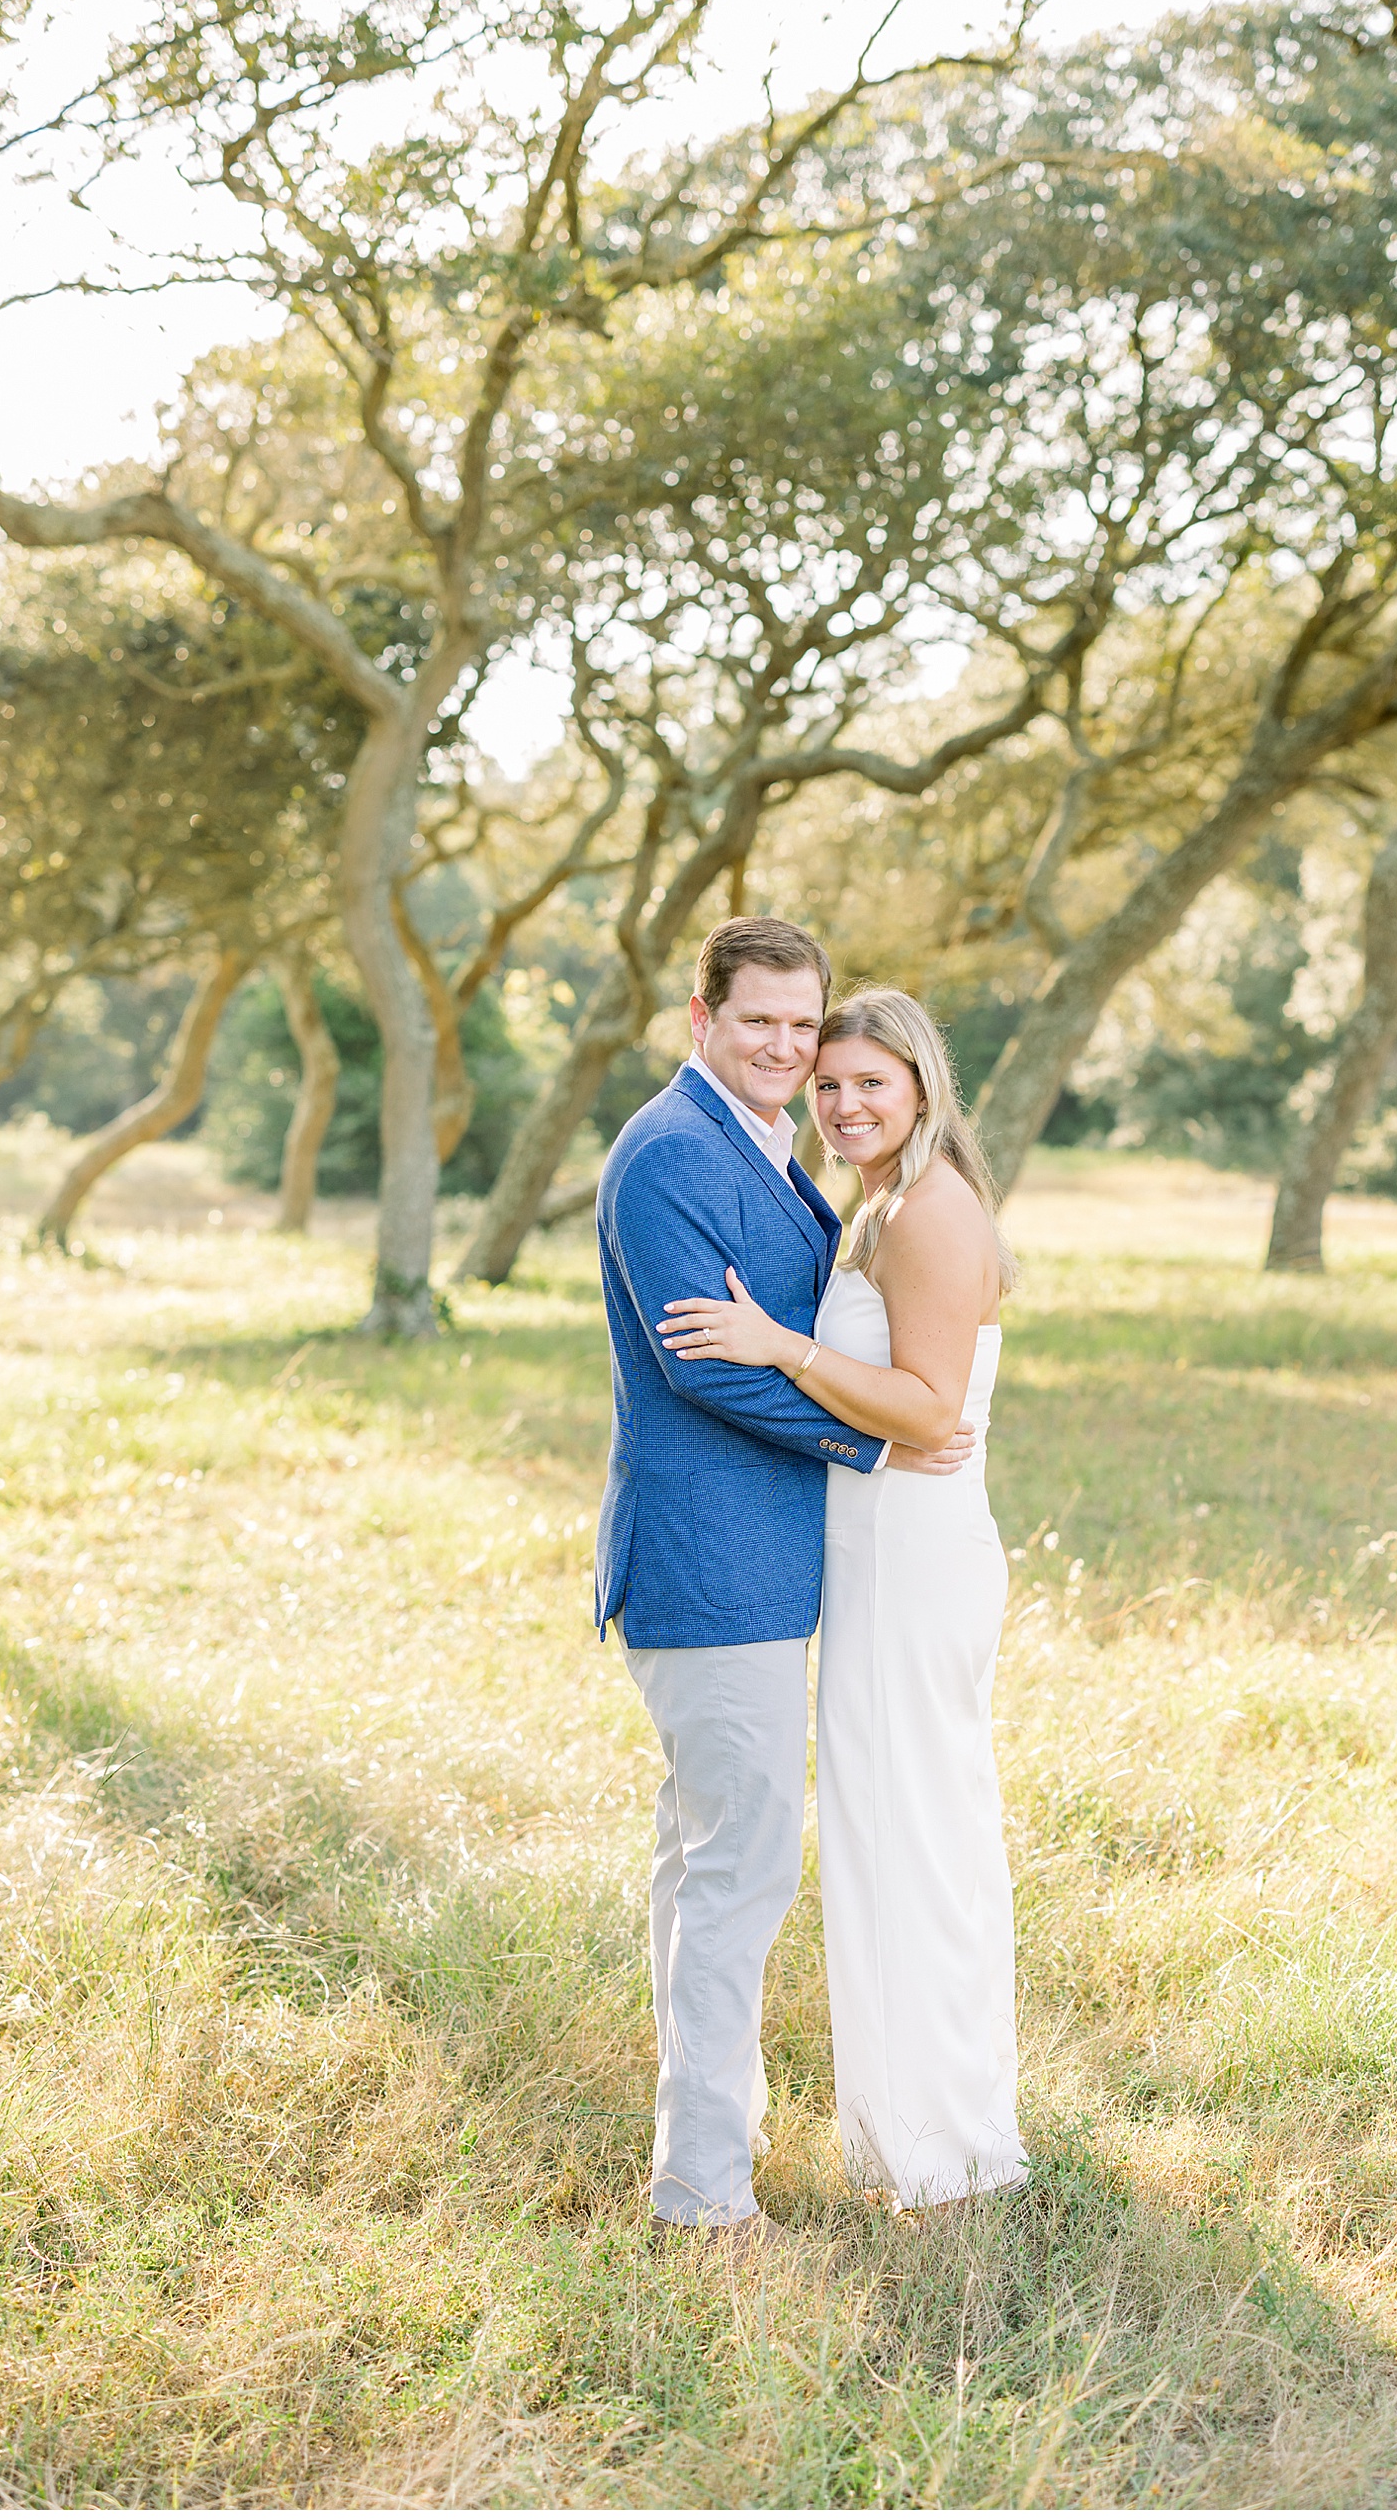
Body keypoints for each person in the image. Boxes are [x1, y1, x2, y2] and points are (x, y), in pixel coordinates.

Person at [594, 920, 973, 2245]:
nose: (783, 1046)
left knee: (707, 1861)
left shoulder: (767, 1144)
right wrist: (878, 1432)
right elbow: (703, 1359)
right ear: (700, 1016)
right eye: (756, 1019)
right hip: (709, 1569)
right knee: (738, 1870)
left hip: (768, 1568)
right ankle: (704, 2194)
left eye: (800, 1025)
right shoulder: (666, 1155)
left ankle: (711, 2135)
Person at [659, 985, 1027, 2213]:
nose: (844, 1102)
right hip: (875, 1554)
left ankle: (943, 2148)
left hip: (916, 1555)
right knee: (887, 1832)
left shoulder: (928, 1211)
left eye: (872, 1081)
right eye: (830, 1083)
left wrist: (778, 1342)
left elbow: (933, 1410)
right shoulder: (878, 1205)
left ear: (922, 1084)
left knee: (917, 1835)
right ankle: (909, 2131)